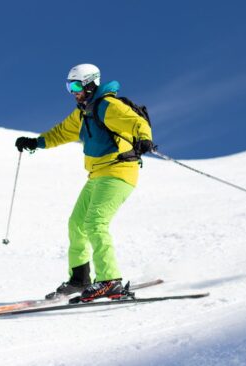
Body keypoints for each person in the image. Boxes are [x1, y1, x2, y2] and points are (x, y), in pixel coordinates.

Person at [15, 64, 153, 301]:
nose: (73, 91)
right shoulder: (82, 113)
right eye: (69, 86)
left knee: (95, 223)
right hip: (97, 175)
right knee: (76, 224)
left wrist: (144, 140)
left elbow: (136, 123)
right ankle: (80, 279)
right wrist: (35, 143)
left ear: (91, 84)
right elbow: (60, 133)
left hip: (119, 171)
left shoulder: (108, 105)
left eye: (77, 86)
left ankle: (110, 280)